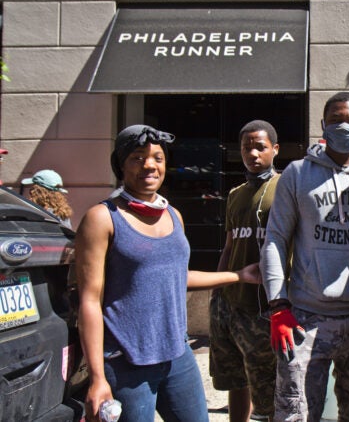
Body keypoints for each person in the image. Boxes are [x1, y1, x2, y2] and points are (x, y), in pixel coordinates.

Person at [75, 124, 261, 422]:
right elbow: (89, 301)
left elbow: (178, 277)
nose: (149, 165)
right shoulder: (102, 218)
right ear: (121, 164)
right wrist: (98, 378)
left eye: (157, 158)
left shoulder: (173, 215)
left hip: (177, 356)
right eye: (137, 157)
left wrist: (239, 275)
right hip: (127, 363)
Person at [260, 92, 349, 421]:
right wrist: (278, 305)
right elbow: (275, 239)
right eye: (336, 120)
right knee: (295, 415)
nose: (344, 127)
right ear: (323, 125)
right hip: (305, 319)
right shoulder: (297, 174)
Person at [209, 120, 280, 422]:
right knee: (235, 380)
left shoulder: (285, 188)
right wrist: (217, 295)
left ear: (274, 150)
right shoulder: (236, 194)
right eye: (246, 147)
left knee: (268, 392)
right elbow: (228, 246)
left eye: (260, 147)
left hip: (262, 308)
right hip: (228, 304)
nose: (253, 153)